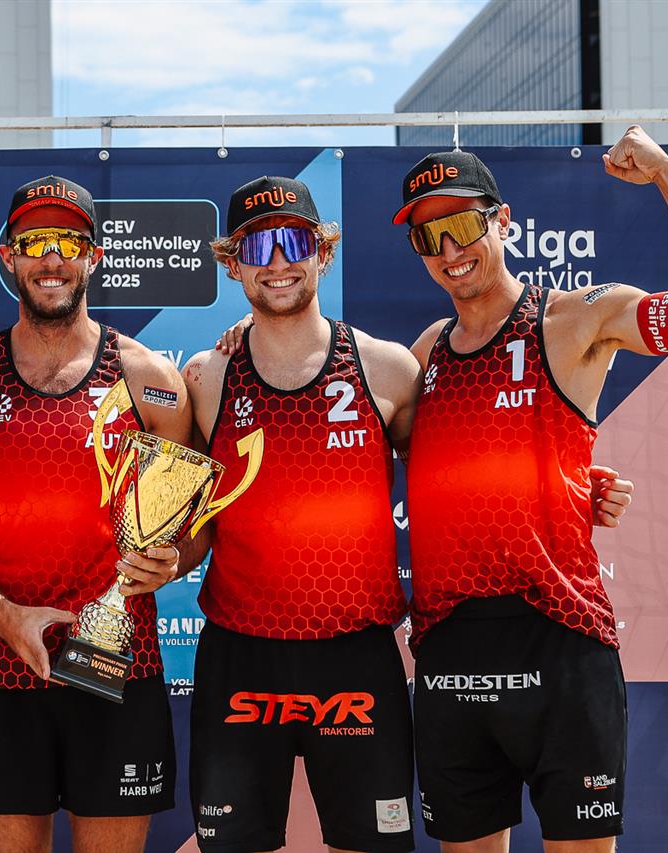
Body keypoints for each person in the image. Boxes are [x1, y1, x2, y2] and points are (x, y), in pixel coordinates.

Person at [190, 178, 636, 853]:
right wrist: (161, 553)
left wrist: (574, 483)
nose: (277, 260)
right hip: (240, 650)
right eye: (258, 245)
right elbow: (189, 521)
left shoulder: (392, 367)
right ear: (232, 263)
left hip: (357, 651)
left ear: (324, 253)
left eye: (294, 240)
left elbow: (461, 461)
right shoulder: (204, 376)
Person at [400, 126, 668, 852]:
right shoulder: (426, 351)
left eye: (462, 223)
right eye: (427, 237)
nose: (448, 250)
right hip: (450, 646)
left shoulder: (573, 318)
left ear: (502, 221)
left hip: (561, 640)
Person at [0, 176, 188, 853]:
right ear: (8, 254)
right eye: (35, 241)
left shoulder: (150, 379)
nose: (52, 258)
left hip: (116, 665)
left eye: (69, 241)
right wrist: (9, 619)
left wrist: (178, 556)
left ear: (94, 256)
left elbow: (186, 529)